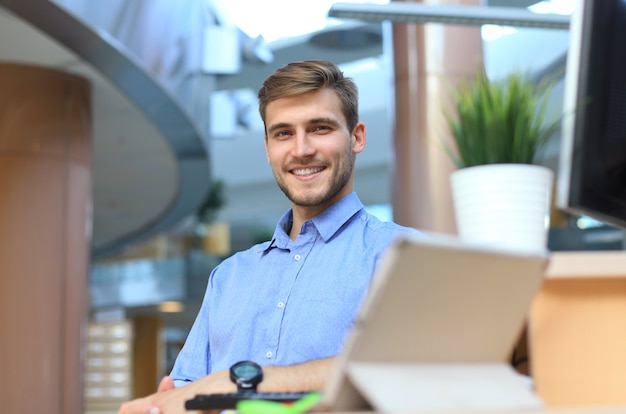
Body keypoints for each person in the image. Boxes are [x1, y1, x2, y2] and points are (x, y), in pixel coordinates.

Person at [119, 59, 421, 414]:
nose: (301, 149)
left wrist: (236, 382)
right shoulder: (229, 278)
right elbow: (186, 391)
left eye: (320, 128)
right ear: (267, 147)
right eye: (283, 133)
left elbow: (412, 370)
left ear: (356, 137)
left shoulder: (405, 256)